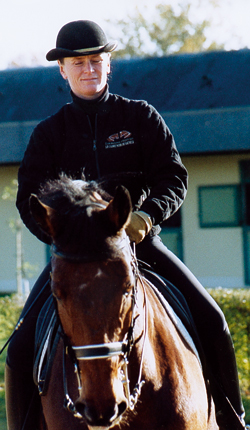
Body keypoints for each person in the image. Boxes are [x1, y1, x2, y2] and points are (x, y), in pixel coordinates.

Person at [5, 20, 248, 430]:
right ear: (62, 70)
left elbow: (174, 177)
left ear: (109, 65)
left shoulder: (140, 117)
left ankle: (234, 418)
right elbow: (28, 198)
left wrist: (146, 216)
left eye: (97, 61)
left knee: (213, 319)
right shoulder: (48, 134)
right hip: (77, 258)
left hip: (139, 244)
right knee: (20, 346)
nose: (89, 69)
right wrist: (62, 236)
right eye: (78, 63)